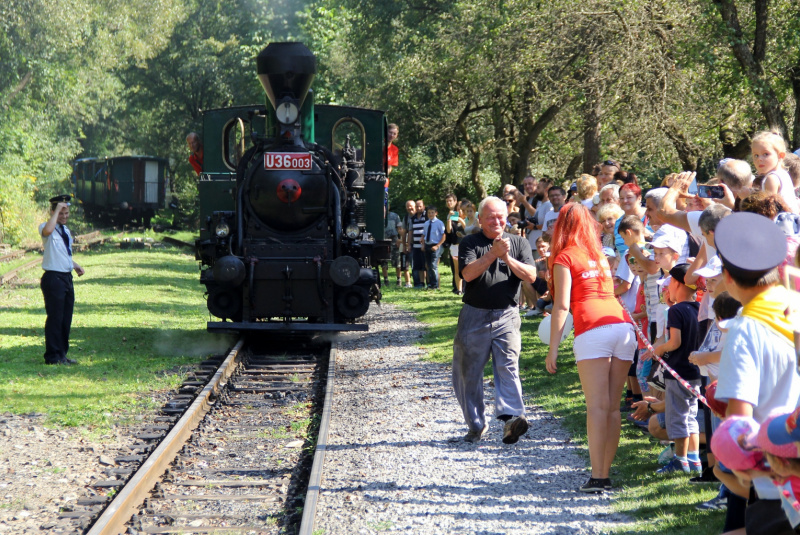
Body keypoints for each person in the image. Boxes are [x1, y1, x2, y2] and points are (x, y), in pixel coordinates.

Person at [713, 212, 800, 534]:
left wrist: (734, 463)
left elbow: (740, 420)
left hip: (774, 475)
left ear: (728, 276)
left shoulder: (745, 329)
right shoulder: (794, 306)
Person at [545, 202, 636, 493]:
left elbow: (561, 307)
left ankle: (599, 477)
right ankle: (604, 472)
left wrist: (553, 348)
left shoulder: (564, 257)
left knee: (597, 407)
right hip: (622, 327)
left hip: (592, 328)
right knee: (612, 407)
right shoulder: (600, 254)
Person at [453, 196, 537, 445]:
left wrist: (507, 258)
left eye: (501, 216)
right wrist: (492, 254)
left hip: (507, 315)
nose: (497, 221)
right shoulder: (470, 242)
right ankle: (476, 425)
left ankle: (511, 420)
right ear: (480, 219)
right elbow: (467, 274)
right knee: (468, 374)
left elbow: (531, 276)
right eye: (490, 217)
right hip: (474, 315)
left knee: (508, 367)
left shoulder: (519, 242)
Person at [643, 264, 703, 475]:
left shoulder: (676, 311)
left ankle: (680, 460)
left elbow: (674, 342)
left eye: (669, 284)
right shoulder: (699, 308)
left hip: (677, 373)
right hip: (695, 373)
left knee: (677, 417)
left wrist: (658, 350)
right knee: (691, 416)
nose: (667, 289)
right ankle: (695, 460)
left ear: (677, 283)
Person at [39, 195, 85, 365]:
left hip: (66, 278)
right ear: (52, 212)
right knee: (55, 318)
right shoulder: (46, 227)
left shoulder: (65, 230)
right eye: (61, 213)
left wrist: (74, 265)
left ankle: (62, 354)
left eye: (66, 213)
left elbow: (64, 253)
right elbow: (48, 231)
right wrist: (57, 209)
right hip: (53, 278)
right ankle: (52, 356)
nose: (64, 216)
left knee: (66, 318)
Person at [751, 130, 799, 213]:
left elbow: (768, 209)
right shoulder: (783, 174)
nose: (759, 159)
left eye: (766, 154)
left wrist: (747, 198)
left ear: (780, 156)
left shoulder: (772, 178)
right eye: (756, 155)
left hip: (780, 223)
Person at [420, 205, 446, 290]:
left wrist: (437, 246)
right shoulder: (426, 223)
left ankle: (435, 284)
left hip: (435, 245)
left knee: (433, 265)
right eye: (429, 213)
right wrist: (423, 245)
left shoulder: (439, 223)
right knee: (428, 265)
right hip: (427, 245)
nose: (430, 214)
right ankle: (430, 284)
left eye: (432, 212)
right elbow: (424, 235)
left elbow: (443, 235)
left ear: (436, 213)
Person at [444, 194, 466, 294]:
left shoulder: (467, 219)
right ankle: (459, 289)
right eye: (458, 209)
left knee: (465, 268)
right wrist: (449, 219)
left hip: (464, 246)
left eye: (461, 209)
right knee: (456, 269)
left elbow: (467, 229)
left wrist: (460, 219)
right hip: (454, 245)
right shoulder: (452, 217)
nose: (459, 211)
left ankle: (465, 288)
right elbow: (448, 230)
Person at [382, 208, 402, 286]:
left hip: (394, 239)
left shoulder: (395, 216)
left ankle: (399, 280)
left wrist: (400, 240)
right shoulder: (378, 216)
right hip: (383, 240)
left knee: (397, 261)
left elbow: (400, 228)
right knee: (383, 261)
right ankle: (386, 280)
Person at [411, 199, 427, 288]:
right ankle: (421, 283)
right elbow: (410, 231)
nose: (419, 208)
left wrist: (424, 242)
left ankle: (429, 283)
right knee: (419, 265)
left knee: (426, 265)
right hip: (416, 245)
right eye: (417, 206)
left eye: (420, 206)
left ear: (423, 206)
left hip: (425, 245)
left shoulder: (427, 216)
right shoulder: (413, 218)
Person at [400, 200, 416, 288]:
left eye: (411, 206)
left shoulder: (420, 216)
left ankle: (418, 282)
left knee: (417, 265)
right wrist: (403, 245)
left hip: (418, 244)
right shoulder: (406, 218)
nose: (410, 208)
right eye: (408, 206)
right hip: (408, 244)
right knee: (406, 265)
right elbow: (404, 232)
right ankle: (408, 283)